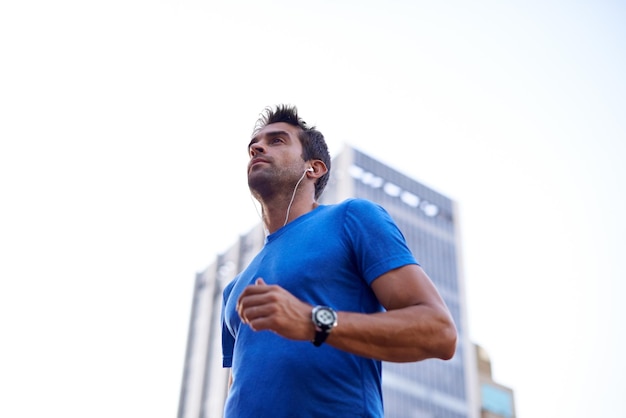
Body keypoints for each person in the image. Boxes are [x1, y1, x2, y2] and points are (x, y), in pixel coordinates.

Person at [221, 104, 457, 418]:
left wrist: (313, 321)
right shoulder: (233, 289)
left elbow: (439, 332)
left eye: (277, 140)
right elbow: (239, 391)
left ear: (314, 168)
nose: (258, 148)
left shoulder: (352, 218)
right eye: (255, 145)